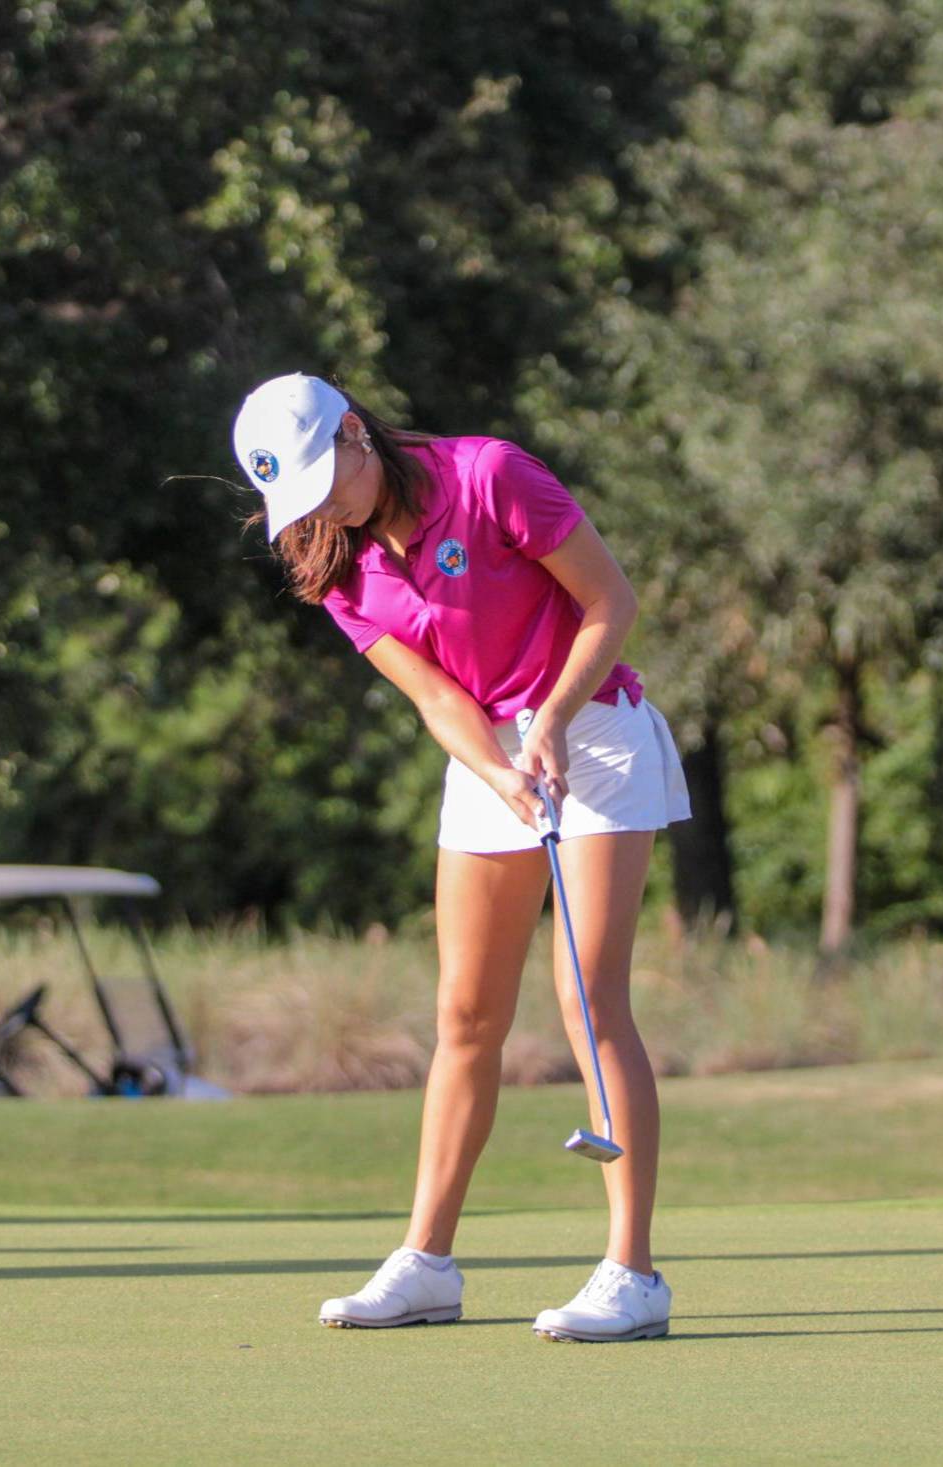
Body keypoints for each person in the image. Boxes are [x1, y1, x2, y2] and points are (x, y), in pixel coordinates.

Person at [231, 372, 691, 1343]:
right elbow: (437, 699)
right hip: (487, 757)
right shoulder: (336, 567)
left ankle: (632, 1275)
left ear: (357, 434)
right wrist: (495, 769)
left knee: (588, 1000)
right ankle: (427, 1264)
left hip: (597, 733)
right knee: (465, 1014)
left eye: (328, 481)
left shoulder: (490, 477)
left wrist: (555, 718)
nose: (322, 511)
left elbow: (611, 601)